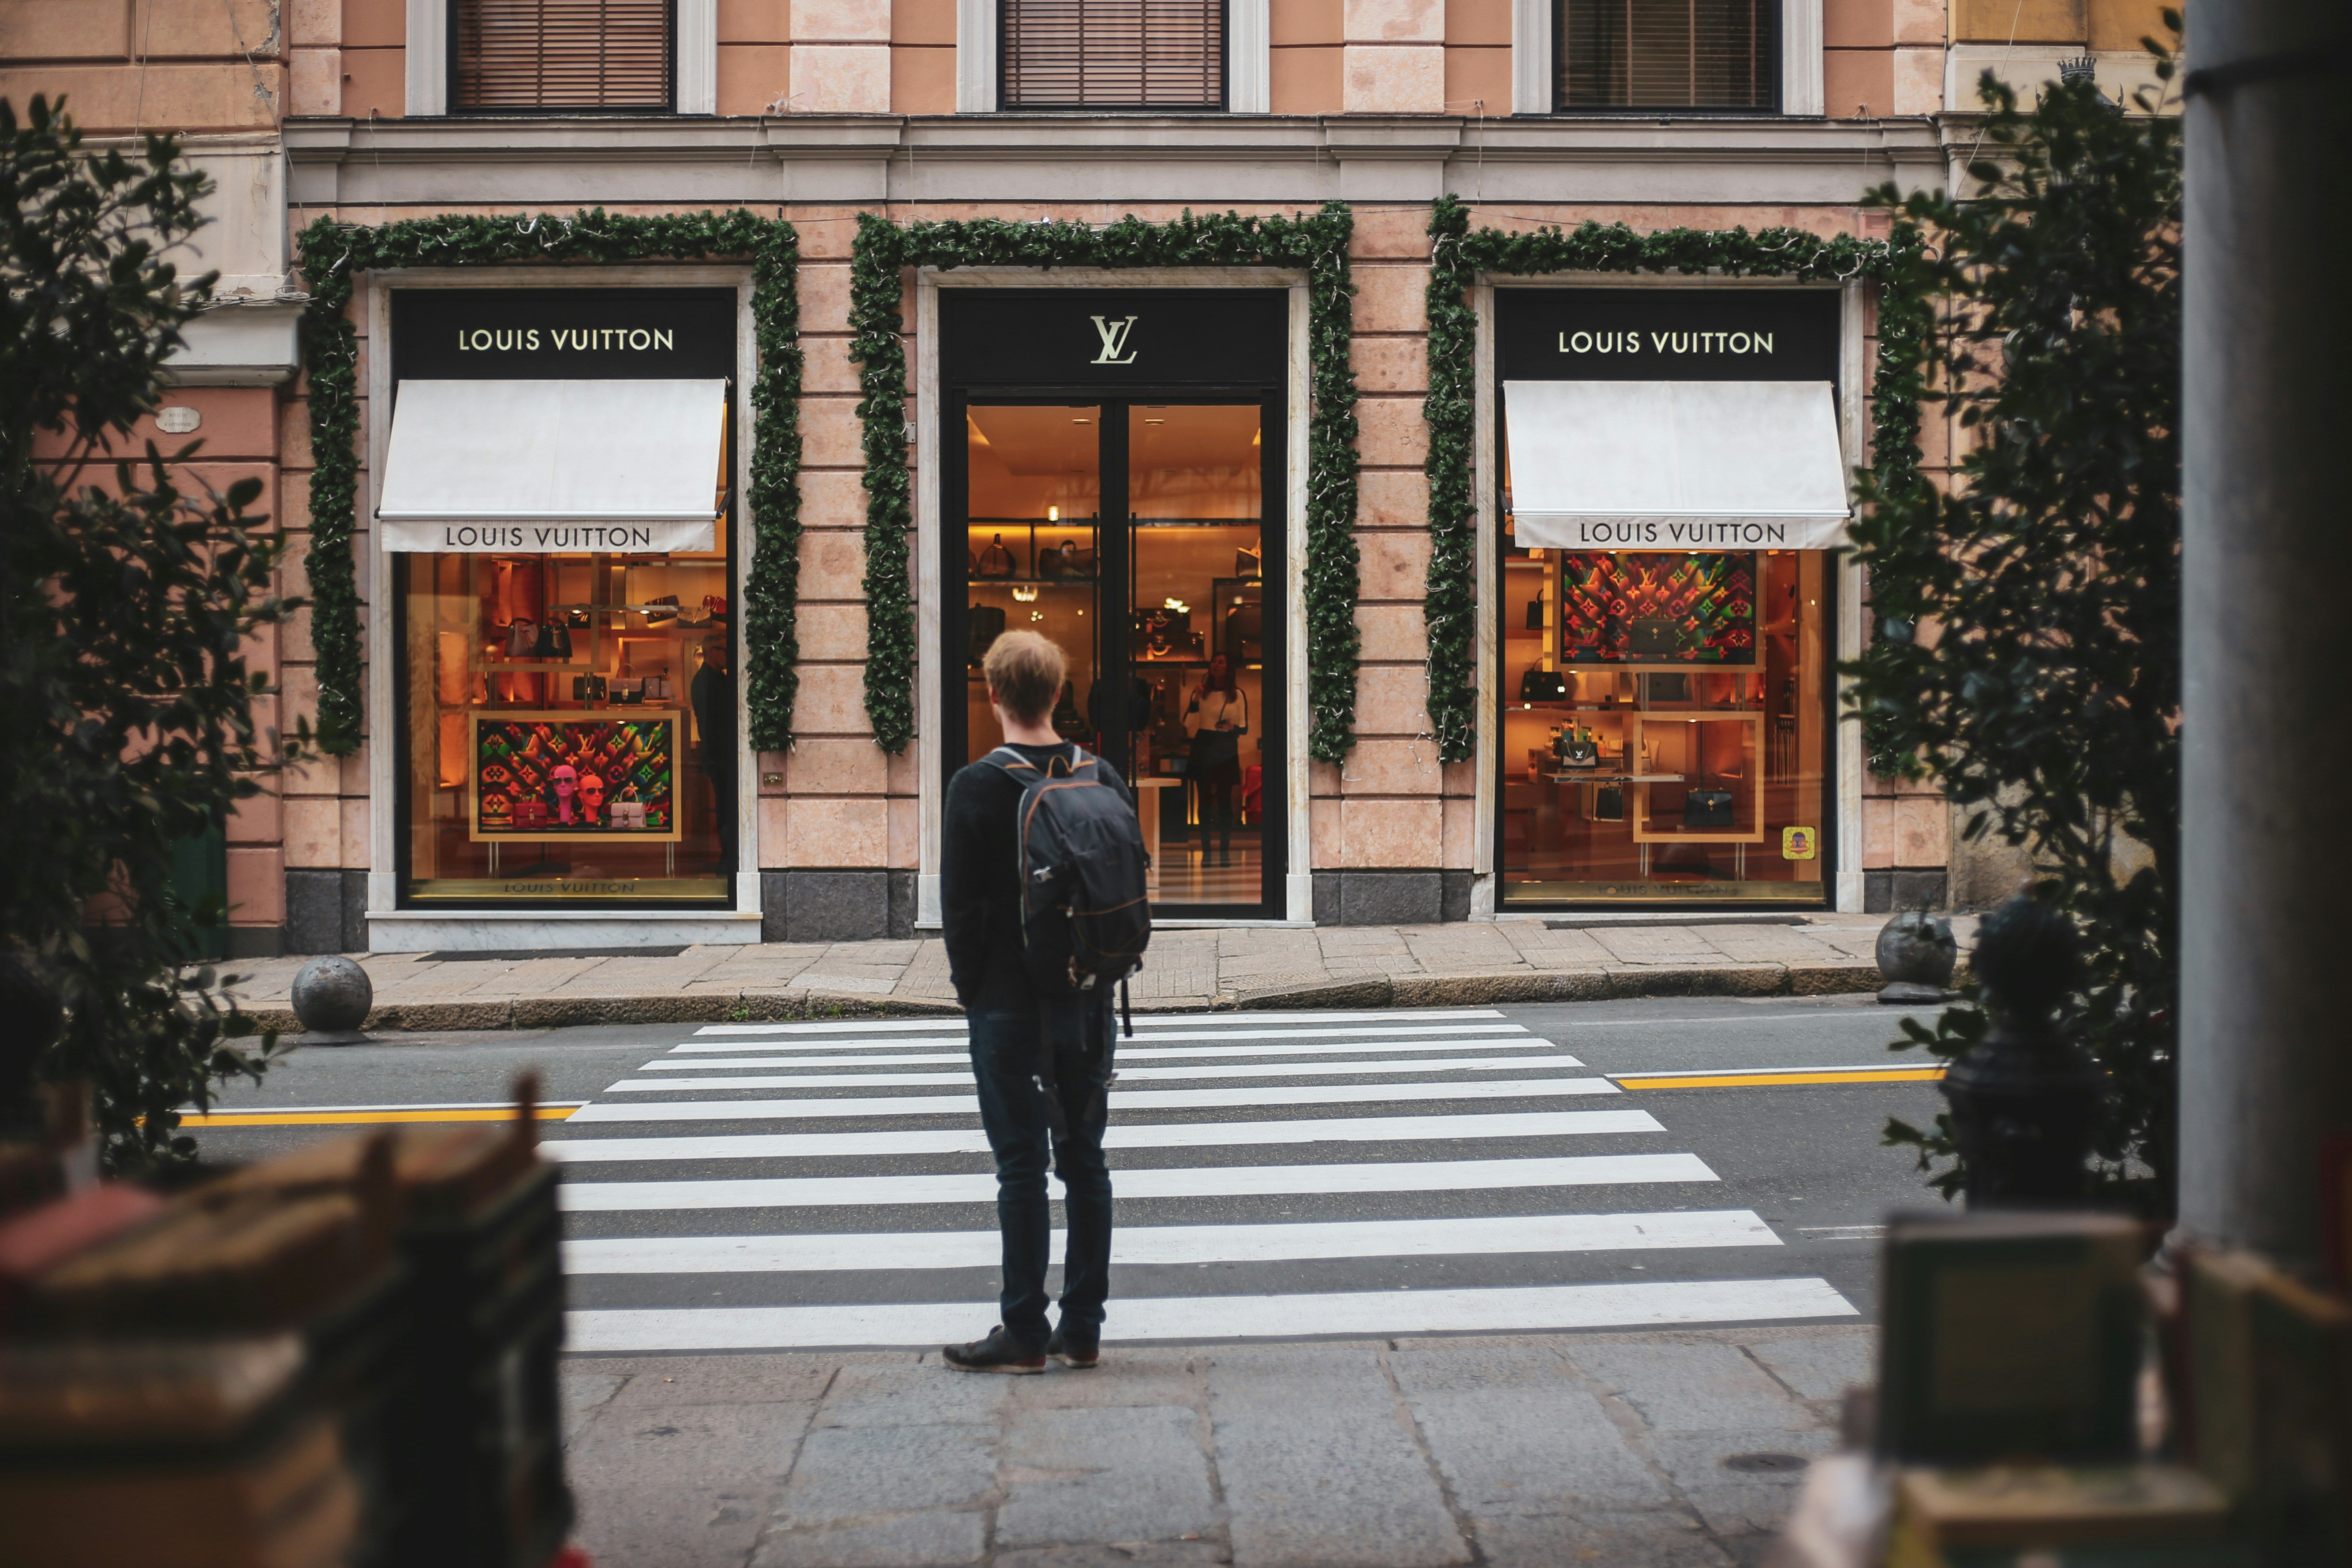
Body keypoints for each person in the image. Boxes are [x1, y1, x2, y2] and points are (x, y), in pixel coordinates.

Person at [940, 631, 1124, 1374]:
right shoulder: (1099, 773)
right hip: (1087, 997)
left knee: (1020, 1165)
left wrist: (973, 994)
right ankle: (1081, 1327)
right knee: (1084, 1160)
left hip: (1009, 1004)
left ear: (991, 695)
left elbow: (959, 912)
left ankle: (1022, 1330)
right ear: (1057, 693)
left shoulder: (976, 786)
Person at [1184, 653, 1248, 868]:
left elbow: (1245, 728)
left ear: (1229, 668)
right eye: (1214, 662)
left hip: (1226, 745)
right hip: (1204, 744)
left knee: (1224, 800)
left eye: (1221, 662)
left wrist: (1232, 727)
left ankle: (1224, 852)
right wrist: (1195, 700)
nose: (1216, 665)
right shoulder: (1202, 693)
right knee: (1204, 800)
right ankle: (1207, 852)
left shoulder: (1238, 695)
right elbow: (1187, 723)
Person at [690, 633, 736, 875]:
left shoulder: (714, 679)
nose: (729, 656)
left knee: (727, 807)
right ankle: (728, 859)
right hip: (721, 756)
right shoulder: (708, 681)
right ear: (712, 652)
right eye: (725, 650)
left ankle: (728, 858)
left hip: (720, 755)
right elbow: (712, 723)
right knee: (727, 808)